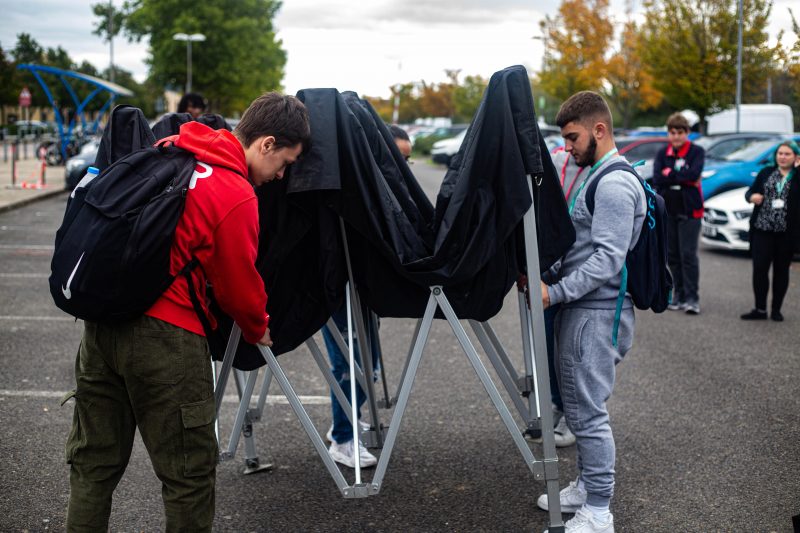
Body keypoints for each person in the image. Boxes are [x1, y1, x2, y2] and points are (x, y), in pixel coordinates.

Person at [64, 92, 311, 532]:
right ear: (267, 143)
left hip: (101, 328)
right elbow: (239, 284)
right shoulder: (234, 192)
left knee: (93, 464)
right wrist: (259, 327)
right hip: (167, 338)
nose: (281, 175)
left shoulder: (170, 150)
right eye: (285, 162)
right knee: (188, 476)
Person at [536, 91, 646, 533]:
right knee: (582, 408)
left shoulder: (615, 183)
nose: (567, 148)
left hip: (595, 315)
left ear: (599, 130)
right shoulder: (596, 174)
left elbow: (606, 260)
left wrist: (555, 292)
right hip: (584, 311)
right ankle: (586, 486)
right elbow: (581, 245)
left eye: (573, 137)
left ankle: (598, 511)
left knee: (587, 412)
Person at [321, 124, 410, 468]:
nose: (403, 168)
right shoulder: (356, 190)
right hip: (338, 286)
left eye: (408, 160)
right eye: (398, 159)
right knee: (349, 363)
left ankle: (345, 425)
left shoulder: (382, 192)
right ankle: (343, 438)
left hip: (362, 286)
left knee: (366, 364)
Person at [740, 140, 800, 321]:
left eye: (787, 154)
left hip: (786, 233)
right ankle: (760, 309)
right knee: (759, 269)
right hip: (762, 229)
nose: (782, 157)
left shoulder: (798, 176)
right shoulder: (766, 172)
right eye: (780, 153)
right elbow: (749, 192)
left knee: (781, 271)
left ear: (796, 157)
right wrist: (752, 197)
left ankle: (776, 310)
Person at [652, 113, 705, 315]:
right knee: (672, 256)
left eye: (680, 132)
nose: (676, 136)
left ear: (687, 133)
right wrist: (679, 178)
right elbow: (658, 178)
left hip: (690, 210)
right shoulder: (661, 153)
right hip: (669, 210)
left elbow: (694, 174)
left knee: (688, 255)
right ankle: (678, 295)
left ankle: (692, 298)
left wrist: (671, 175)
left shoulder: (696, 151)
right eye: (672, 132)